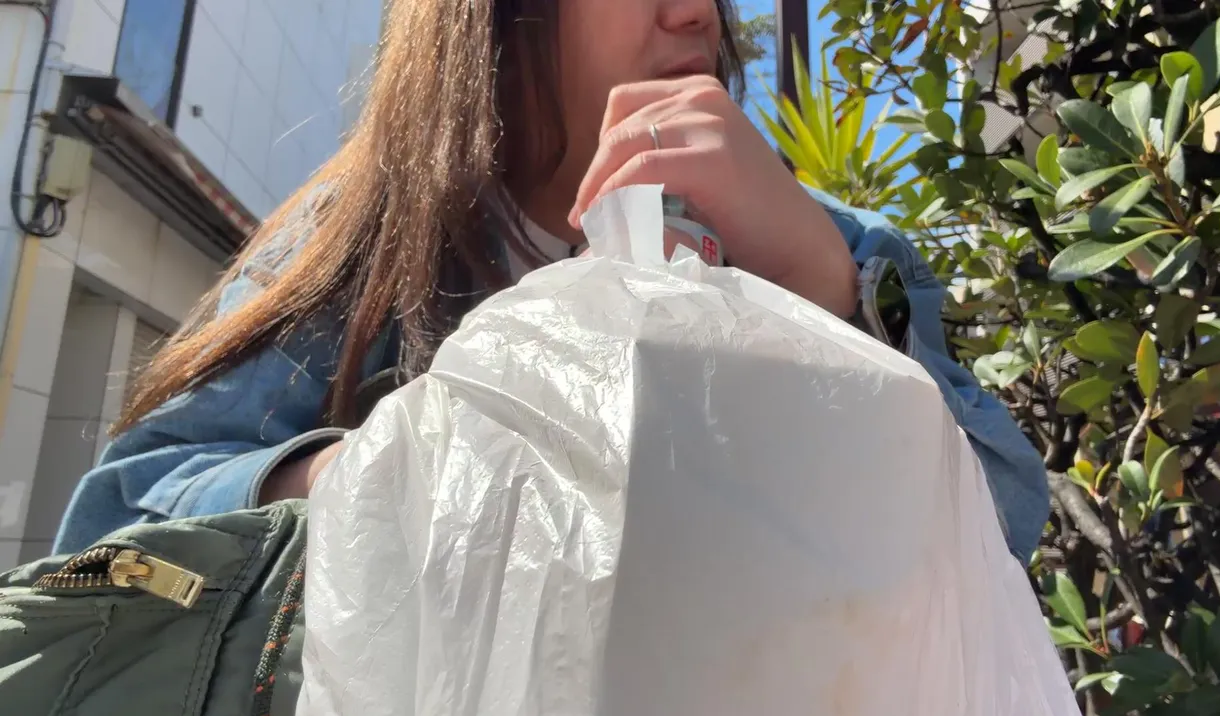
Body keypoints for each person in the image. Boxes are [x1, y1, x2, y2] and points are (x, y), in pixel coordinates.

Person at [53, 0, 1048, 565]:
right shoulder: (374, 235)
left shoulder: (844, 248)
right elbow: (120, 526)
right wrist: (397, 474)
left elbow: (1001, 533)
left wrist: (820, 288)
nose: (698, 15)